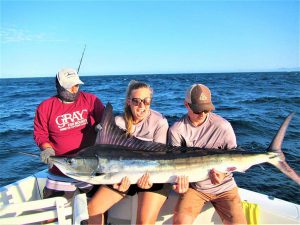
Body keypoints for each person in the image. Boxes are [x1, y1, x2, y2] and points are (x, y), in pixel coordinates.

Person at [88, 80, 170, 225]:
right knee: (92, 210)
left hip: (153, 175)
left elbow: (160, 157)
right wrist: (115, 183)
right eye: (136, 101)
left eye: (146, 101)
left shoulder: (160, 122)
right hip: (123, 176)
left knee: (144, 222)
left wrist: (149, 179)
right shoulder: (118, 122)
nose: (142, 106)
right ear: (128, 102)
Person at [169, 84, 247, 225]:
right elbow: (175, 165)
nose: (203, 114)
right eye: (198, 110)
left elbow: (235, 157)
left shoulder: (223, 126)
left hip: (225, 187)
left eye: (206, 110)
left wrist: (222, 175)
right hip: (196, 188)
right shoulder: (177, 130)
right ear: (186, 105)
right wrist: (179, 184)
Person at [33, 68, 105, 199]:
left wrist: (101, 126)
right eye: (69, 86)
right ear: (58, 86)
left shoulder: (91, 100)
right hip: (61, 170)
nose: (74, 90)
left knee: (95, 210)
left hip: (90, 170)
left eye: (76, 85)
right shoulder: (45, 107)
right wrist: (47, 149)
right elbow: (40, 134)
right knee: (52, 215)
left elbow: (106, 120)